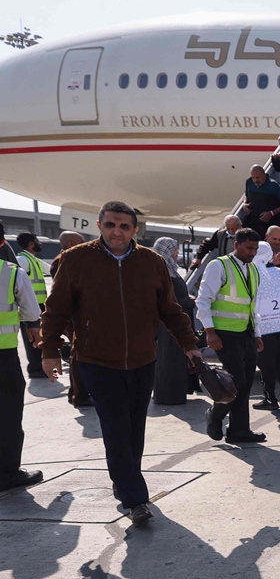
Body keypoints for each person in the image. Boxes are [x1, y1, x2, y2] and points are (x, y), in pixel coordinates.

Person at [41, 202, 202, 526]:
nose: (117, 232)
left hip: (143, 359)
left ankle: (125, 480)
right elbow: (56, 309)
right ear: (100, 226)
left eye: (124, 226)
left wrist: (189, 345)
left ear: (134, 230)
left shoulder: (152, 262)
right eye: (111, 225)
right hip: (97, 361)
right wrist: (50, 350)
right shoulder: (76, 260)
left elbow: (170, 310)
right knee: (116, 428)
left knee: (134, 429)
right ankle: (136, 499)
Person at [195, 228, 266, 444]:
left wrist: (257, 334)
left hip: (246, 332)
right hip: (224, 334)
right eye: (248, 248)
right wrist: (210, 332)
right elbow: (203, 300)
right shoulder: (219, 266)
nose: (252, 252)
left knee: (246, 383)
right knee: (236, 381)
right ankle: (215, 415)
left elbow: (252, 306)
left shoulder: (253, 269)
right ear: (236, 245)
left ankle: (239, 430)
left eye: (255, 248)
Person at [0, 254, 45, 492]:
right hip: (3, 356)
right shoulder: (10, 272)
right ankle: (6, 473)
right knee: (7, 414)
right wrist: (34, 328)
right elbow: (31, 311)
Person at [151, 237, 196, 405]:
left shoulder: (169, 270)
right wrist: (189, 301)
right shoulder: (163, 273)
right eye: (174, 249)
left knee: (175, 358)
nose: (177, 253)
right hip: (169, 327)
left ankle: (175, 392)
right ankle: (170, 396)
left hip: (176, 322)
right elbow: (167, 300)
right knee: (170, 359)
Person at [252, 241, 280, 411]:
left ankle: (270, 398)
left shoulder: (252, 274)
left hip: (263, 327)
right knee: (277, 359)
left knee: (266, 365)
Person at [50, 230, 89, 405]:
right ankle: (79, 395)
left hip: (78, 314)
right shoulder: (63, 261)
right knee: (79, 353)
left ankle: (77, 392)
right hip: (74, 315)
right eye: (81, 242)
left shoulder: (70, 260)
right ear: (70, 244)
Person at [15, 232, 47, 378]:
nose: (40, 243)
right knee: (32, 339)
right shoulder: (22, 260)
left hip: (39, 305)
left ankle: (40, 367)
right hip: (28, 306)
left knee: (40, 337)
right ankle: (35, 369)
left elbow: (52, 268)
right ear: (31, 243)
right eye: (37, 241)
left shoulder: (34, 260)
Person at [243, 165, 280, 237]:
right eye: (253, 177)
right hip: (253, 223)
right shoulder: (249, 181)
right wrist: (244, 203)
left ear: (264, 175)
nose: (255, 180)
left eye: (257, 177)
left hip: (270, 225)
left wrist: (271, 213)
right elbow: (246, 194)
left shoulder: (274, 185)